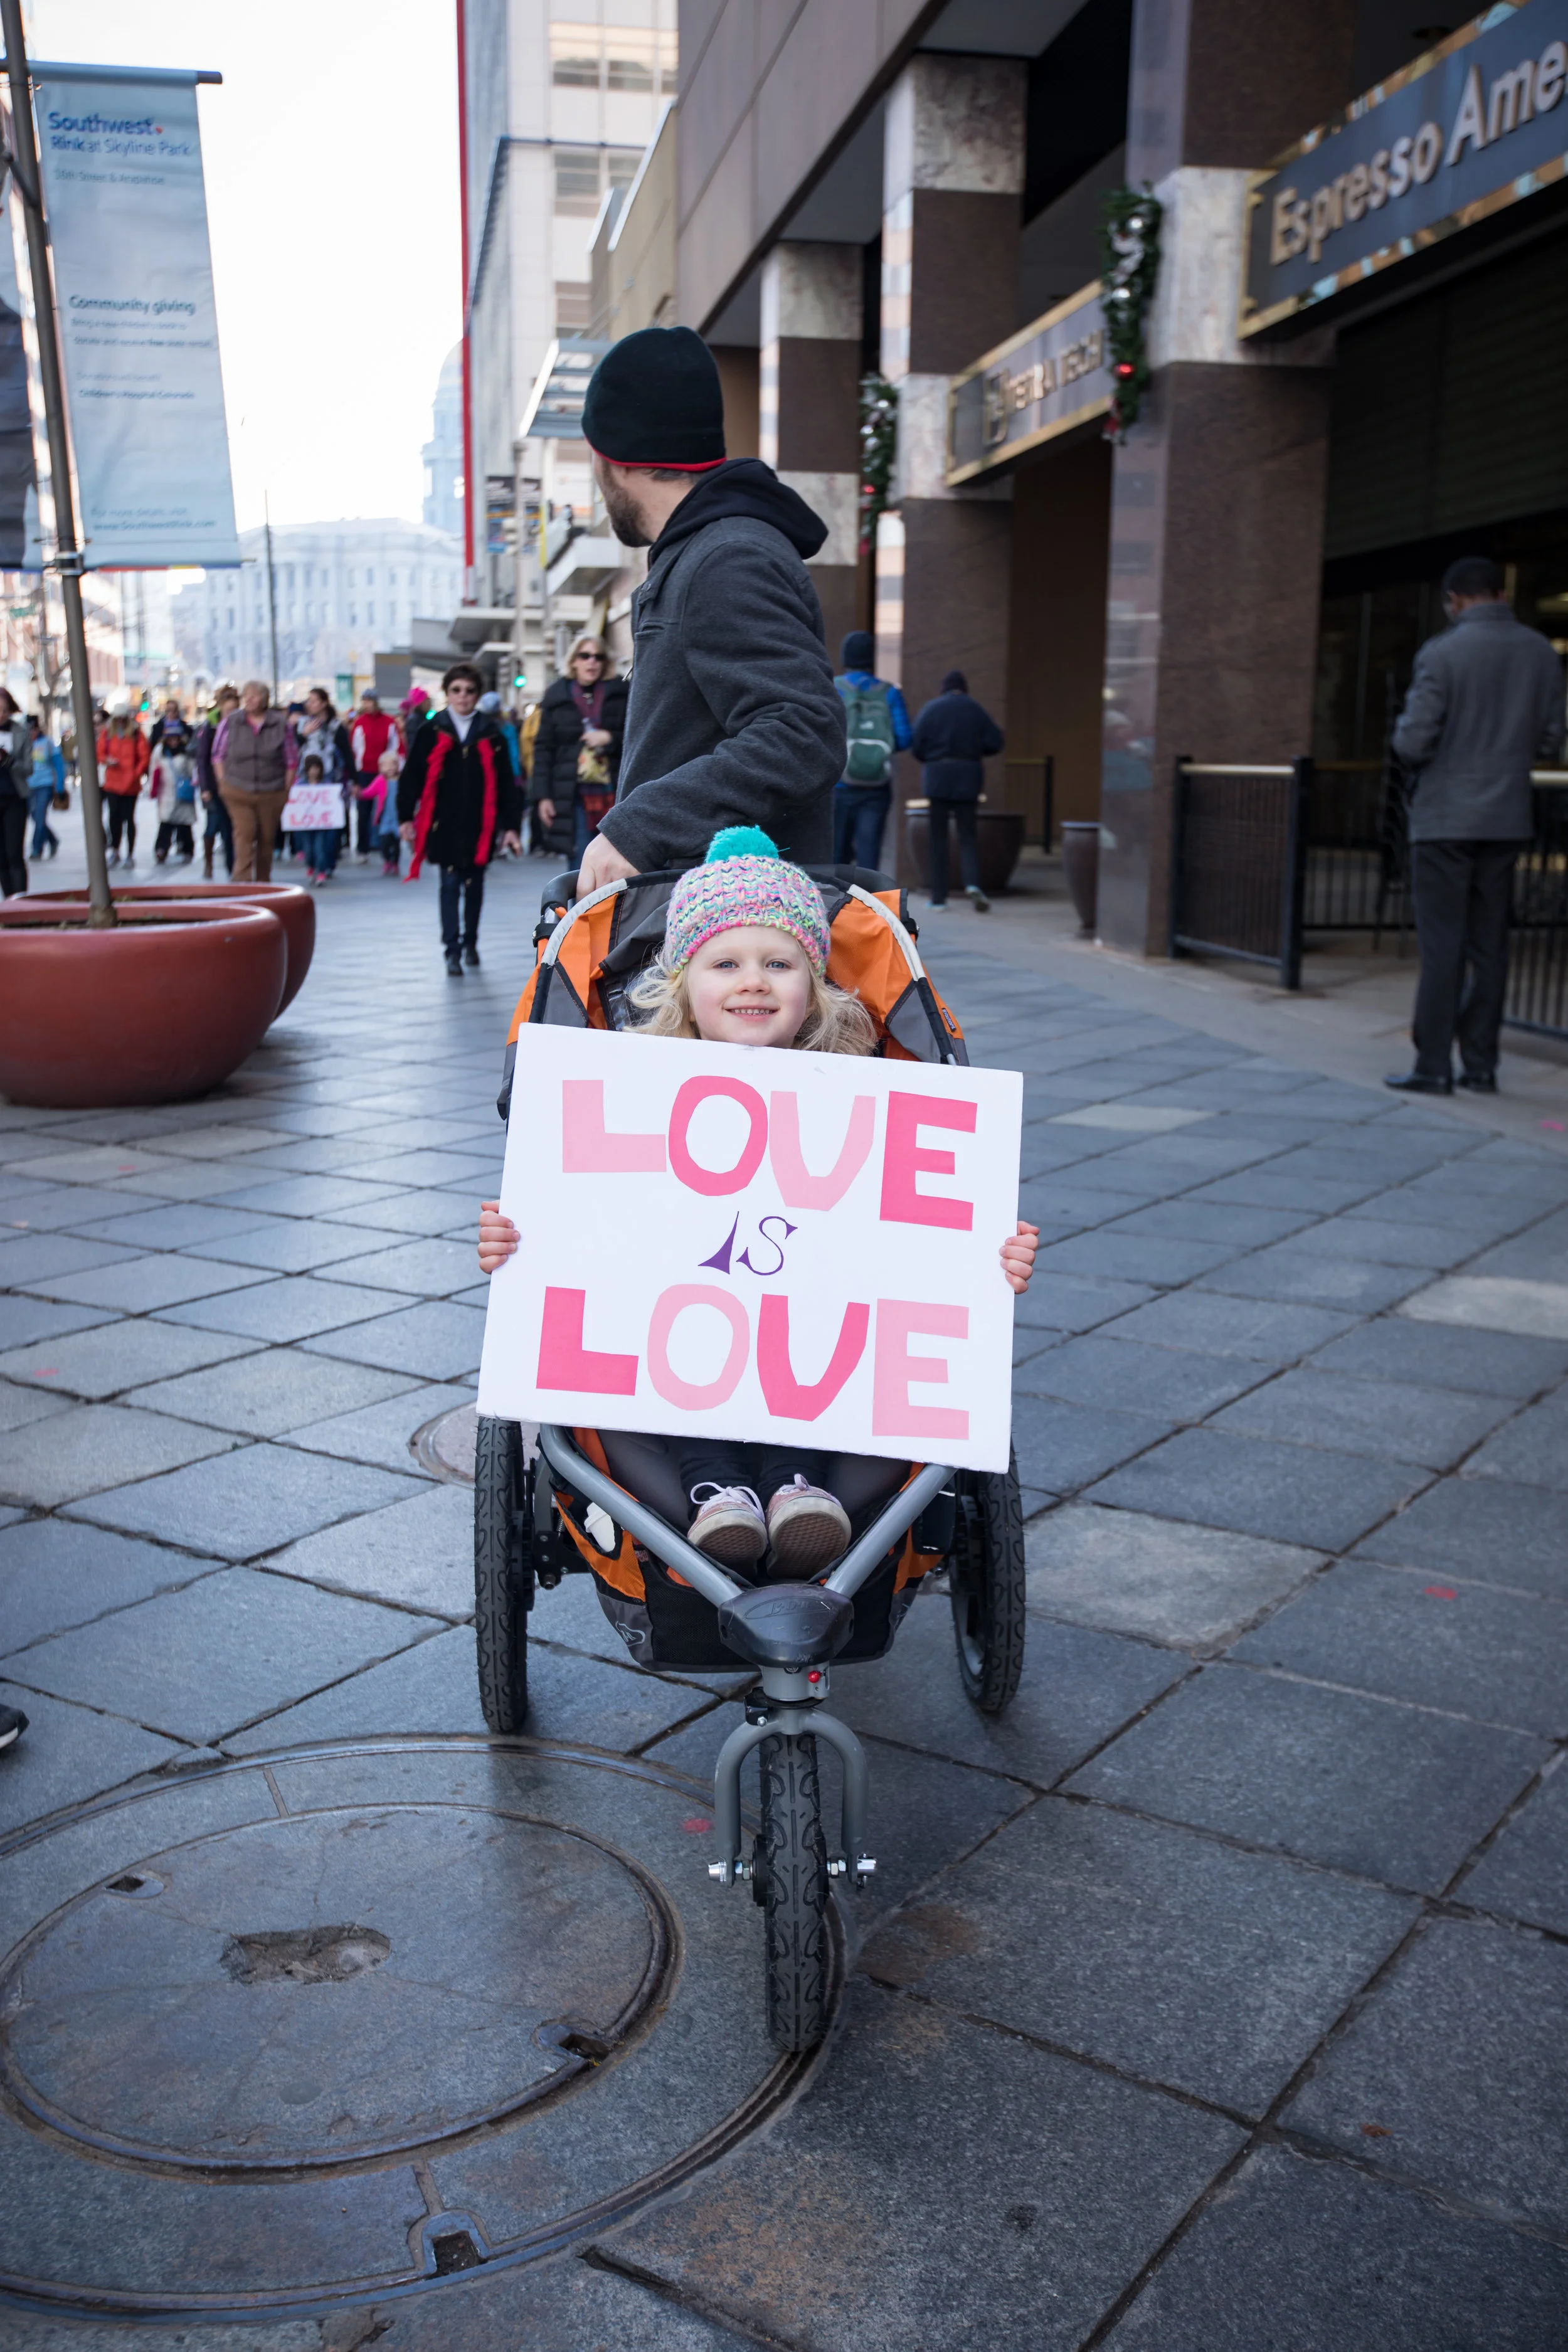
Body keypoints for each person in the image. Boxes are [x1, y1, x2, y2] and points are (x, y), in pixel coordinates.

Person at [477, 828, 1040, 1571]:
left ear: (815, 984)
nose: (753, 981)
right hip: (674, 1340)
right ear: (683, 985)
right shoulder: (632, 1089)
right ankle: (719, 1494)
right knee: (684, 1356)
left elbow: (919, 1237)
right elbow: (578, 1223)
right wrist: (518, 1243)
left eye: (779, 963)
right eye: (725, 964)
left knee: (800, 1352)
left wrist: (986, 1258)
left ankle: (792, 1490)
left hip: (816, 1336)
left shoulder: (866, 1094)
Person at [570, 325, 846, 894]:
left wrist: (641, 828)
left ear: (614, 458)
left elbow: (804, 732)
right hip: (715, 916)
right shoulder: (707, 553)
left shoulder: (725, 559)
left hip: (731, 924)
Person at [1386, 556, 1567, 1094]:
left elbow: (1413, 741)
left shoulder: (1442, 653)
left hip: (1445, 817)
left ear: (1455, 600)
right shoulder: (1540, 652)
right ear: (1499, 594)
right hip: (1506, 814)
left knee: (1443, 945)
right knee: (1491, 945)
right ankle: (1482, 1065)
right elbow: (1551, 737)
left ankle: (1433, 1065)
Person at [396, 660, 522, 975]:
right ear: (447, 693)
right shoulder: (430, 731)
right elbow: (411, 776)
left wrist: (511, 826)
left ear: (477, 694)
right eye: (456, 690)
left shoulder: (492, 733)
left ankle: (471, 943)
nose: (463, 696)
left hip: (480, 825)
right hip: (444, 824)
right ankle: (451, 949)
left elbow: (507, 783)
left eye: (469, 691)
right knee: (450, 885)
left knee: (475, 886)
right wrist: (405, 817)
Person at [909, 669, 1005, 914]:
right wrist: (974, 751)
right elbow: (996, 742)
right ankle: (973, 884)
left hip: (938, 777)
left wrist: (933, 757)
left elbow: (916, 745)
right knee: (968, 836)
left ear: (944, 687)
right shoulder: (975, 709)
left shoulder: (932, 709)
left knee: (938, 838)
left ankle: (938, 898)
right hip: (968, 777)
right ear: (965, 688)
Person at [529, 634, 630, 863]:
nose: (591, 662)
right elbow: (543, 749)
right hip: (573, 794)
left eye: (598, 657)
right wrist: (543, 797)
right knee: (581, 863)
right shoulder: (557, 695)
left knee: (615, 865)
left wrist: (609, 738)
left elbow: (637, 737)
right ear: (574, 661)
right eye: (585, 656)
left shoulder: (621, 693)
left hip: (615, 792)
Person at [832, 628, 910, 872]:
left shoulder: (834, 688)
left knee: (836, 856)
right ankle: (868, 897)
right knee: (869, 857)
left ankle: (835, 897)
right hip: (877, 788)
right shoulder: (889, 693)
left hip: (839, 785)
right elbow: (904, 738)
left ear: (845, 658)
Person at [214, 680, 296, 882]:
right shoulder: (231, 721)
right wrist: (223, 781)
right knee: (245, 832)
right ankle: (242, 881)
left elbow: (291, 759)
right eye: (246, 696)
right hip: (237, 788)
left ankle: (263, 881)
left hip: (272, 790)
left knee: (266, 838)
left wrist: (286, 788)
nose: (249, 700)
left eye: (254, 696)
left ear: (264, 699)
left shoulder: (280, 724)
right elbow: (218, 755)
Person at [292, 689, 353, 882]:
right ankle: (312, 860)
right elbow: (292, 749)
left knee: (330, 826)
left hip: (330, 780)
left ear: (324, 703)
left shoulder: (335, 726)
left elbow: (347, 754)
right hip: (306, 780)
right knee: (309, 824)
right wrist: (303, 735)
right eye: (309, 701)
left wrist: (354, 780)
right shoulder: (301, 724)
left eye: (314, 701)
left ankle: (327, 862)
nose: (310, 704)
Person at [97, 693, 149, 867]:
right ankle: (115, 850)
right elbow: (100, 753)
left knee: (129, 819)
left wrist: (135, 774)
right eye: (117, 719)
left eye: (122, 719)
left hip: (131, 785)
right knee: (114, 818)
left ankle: (130, 854)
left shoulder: (136, 734)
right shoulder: (107, 734)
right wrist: (107, 761)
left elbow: (144, 757)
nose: (120, 722)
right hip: (112, 783)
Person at [349, 689, 401, 862]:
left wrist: (395, 768)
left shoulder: (389, 722)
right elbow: (354, 749)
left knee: (388, 808)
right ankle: (362, 848)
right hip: (364, 771)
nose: (366, 705)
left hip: (385, 772)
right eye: (364, 701)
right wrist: (355, 777)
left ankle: (387, 845)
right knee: (363, 810)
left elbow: (396, 747)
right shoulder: (359, 723)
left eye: (369, 701)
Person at [196, 686, 238, 876]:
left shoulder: (240, 726)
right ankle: (209, 863)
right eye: (228, 710)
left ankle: (232, 866)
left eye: (235, 710)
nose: (231, 714)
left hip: (235, 784)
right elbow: (203, 759)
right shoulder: (210, 727)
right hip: (214, 786)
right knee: (213, 825)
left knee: (231, 827)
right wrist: (205, 787)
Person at [149, 718, 199, 863]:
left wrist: (191, 783)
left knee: (184, 823)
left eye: (176, 738)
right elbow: (154, 769)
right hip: (166, 792)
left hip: (183, 792)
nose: (173, 741)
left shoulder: (186, 751)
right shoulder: (160, 751)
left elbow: (192, 770)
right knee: (166, 822)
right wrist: (153, 789)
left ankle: (187, 849)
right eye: (170, 738)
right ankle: (161, 849)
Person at [0, 688, 28, 894]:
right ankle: (10, 902)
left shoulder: (21, 732)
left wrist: (9, 761)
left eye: (4, 710)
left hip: (15, 798)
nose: (1, 714)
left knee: (14, 854)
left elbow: (29, 768)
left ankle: (21, 901)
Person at [26, 714, 63, 861]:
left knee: (40, 815)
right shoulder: (24, 744)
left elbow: (59, 765)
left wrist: (60, 786)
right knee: (35, 816)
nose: (31, 732)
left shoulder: (48, 742)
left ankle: (36, 848)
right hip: (29, 785)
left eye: (34, 729)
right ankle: (53, 840)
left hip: (45, 784)